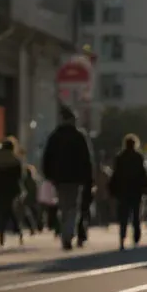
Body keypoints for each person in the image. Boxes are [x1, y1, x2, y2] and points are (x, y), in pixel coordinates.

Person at [42, 107, 94, 251]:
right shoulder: (79, 136)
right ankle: (68, 234)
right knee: (72, 207)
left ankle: (66, 234)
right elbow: (86, 160)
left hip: (59, 178)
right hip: (76, 178)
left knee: (64, 206)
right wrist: (89, 179)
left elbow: (47, 157)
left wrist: (49, 175)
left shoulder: (55, 136)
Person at [110, 134, 147, 249]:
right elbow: (143, 175)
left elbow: (115, 175)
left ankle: (122, 238)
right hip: (136, 191)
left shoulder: (120, 157)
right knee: (136, 215)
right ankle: (136, 238)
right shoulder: (138, 157)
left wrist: (113, 190)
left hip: (123, 191)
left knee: (123, 216)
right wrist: (146, 189)